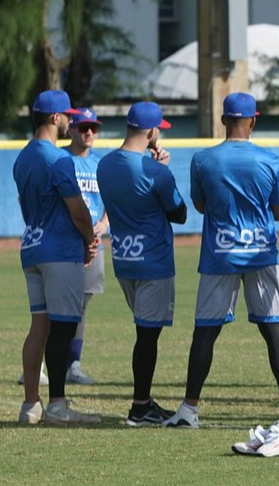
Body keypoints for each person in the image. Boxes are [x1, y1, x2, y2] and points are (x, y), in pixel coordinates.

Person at [164, 92, 279, 430]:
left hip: (220, 253)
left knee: (206, 332)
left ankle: (189, 409)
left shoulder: (203, 159)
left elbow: (200, 205)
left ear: (223, 120)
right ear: (253, 121)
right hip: (261, 252)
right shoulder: (270, 160)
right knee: (274, 330)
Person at [12, 90, 100, 425]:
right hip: (60, 250)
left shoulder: (23, 158)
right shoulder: (58, 159)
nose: (70, 121)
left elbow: (24, 205)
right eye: (67, 115)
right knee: (63, 328)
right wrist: (90, 239)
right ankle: (58, 405)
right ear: (54, 118)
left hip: (32, 245)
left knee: (40, 326)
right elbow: (78, 210)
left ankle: (30, 404)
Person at [97, 101, 187, 427]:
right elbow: (179, 213)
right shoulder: (156, 171)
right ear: (150, 131)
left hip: (124, 259)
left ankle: (145, 400)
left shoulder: (104, 164)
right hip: (153, 260)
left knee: (145, 332)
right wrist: (163, 169)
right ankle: (139, 407)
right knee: (147, 336)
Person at [64, 107, 109, 386]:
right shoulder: (61, 160)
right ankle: (44, 362)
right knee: (55, 305)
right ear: (70, 129)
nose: (89, 132)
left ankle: (73, 364)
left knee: (81, 306)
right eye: (83, 127)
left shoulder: (100, 164)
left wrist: (104, 223)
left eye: (93, 127)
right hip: (65, 243)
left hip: (94, 245)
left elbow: (112, 201)